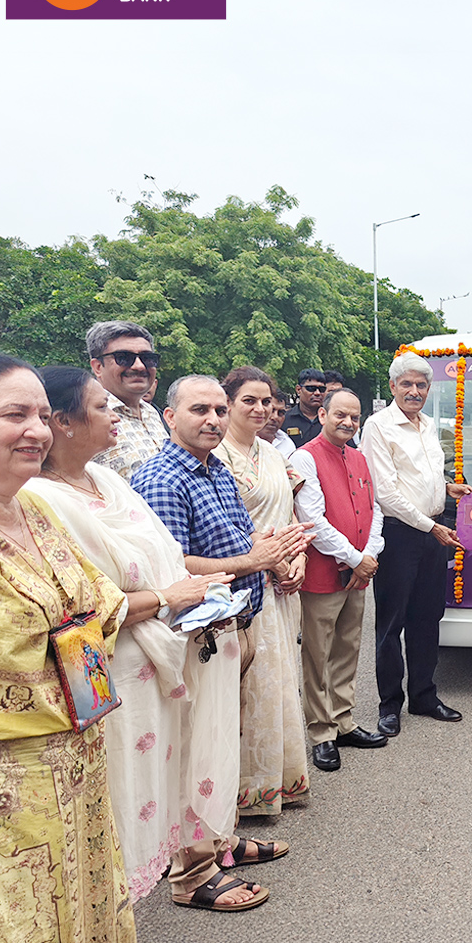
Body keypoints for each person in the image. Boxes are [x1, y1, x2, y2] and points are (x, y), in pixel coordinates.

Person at [0, 351, 152, 943]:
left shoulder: (38, 507)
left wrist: (66, 633)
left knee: (83, 938)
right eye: (13, 414)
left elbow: (101, 607)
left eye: (42, 415)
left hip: (74, 781)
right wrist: (72, 630)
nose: (36, 431)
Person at [26, 366, 240, 903]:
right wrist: (172, 599)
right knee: (122, 794)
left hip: (165, 647)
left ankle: (177, 873)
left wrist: (198, 594)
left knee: (161, 779)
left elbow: (164, 556)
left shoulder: (109, 479)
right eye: (103, 406)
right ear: (64, 423)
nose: (117, 414)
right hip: (115, 667)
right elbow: (81, 605)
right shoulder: (41, 500)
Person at [133, 376, 311, 909]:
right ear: (169, 417)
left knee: (220, 745)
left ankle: (220, 840)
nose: (212, 419)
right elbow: (174, 567)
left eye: (217, 409)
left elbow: (239, 539)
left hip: (237, 624)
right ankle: (192, 873)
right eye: (199, 410)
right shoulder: (163, 477)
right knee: (192, 750)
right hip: (197, 635)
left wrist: (274, 548)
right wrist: (251, 562)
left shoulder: (215, 470)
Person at [216, 367, 312, 813]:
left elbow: (291, 517)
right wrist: (267, 559)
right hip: (241, 584)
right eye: (248, 401)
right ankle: (240, 794)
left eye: (267, 401)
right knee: (246, 688)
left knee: (279, 681)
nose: (260, 409)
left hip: (282, 587)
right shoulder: (216, 455)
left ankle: (280, 781)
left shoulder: (272, 453)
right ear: (229, 403)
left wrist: (298, 558)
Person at [364, 352, 472, 735]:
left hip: (433, 530)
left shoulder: (428, 425)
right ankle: (389, 704)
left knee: (428, 619)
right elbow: (386, 491)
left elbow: (419, 477)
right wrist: (431, 526)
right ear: (392, 387)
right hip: (400, 534)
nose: (414, 391)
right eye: (406, 384)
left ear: (428, 389)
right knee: (392, 623)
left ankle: (424, 696)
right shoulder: (378, 426)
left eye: (421, 385)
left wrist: (448, 488)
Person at [293, 387, 388, 769]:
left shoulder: (360, 458)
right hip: (324, 573)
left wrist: (369, 555)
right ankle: (321, 731)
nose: (348, 422)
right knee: (318, 654)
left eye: (354, 417)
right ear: (322, 415)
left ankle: (344, 721)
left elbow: (375, 509)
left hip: (359, 573)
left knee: (348, 648)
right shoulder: (304, 459)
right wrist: (354, 557)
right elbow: (312, 519)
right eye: (340, 415)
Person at [87, 319, 167, 479]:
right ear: (97, 367)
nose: (139, 366)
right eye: (123, 357)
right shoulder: (85, 414)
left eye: (147, 358)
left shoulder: (152, 413)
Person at [282, 368, 327, 448]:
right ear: (299, 389)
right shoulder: (284, 420)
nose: (317, 393)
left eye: (322, 389)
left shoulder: (330, 420)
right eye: (311, 389)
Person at [262, 385, 296, 459]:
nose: (275, 417)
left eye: (281, 413)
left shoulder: (287, 445)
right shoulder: (239, 442)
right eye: (271, 411)